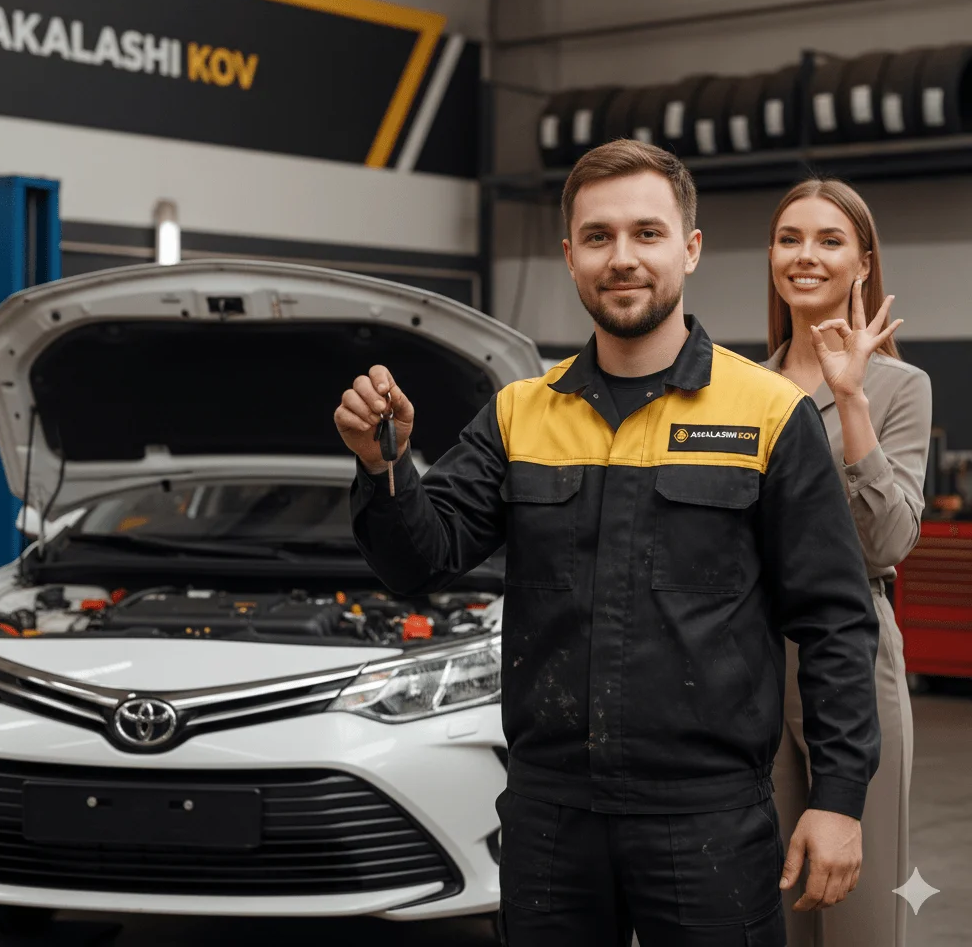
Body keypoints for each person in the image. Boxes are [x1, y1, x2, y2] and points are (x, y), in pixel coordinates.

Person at [334, 140, 881, 947]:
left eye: (647, 234)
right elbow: (422, 556)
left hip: (709, 819)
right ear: (570, 256)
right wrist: (385, 466)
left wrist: (838, 798)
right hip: (551, 817)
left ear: (689, 250)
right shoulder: (522, 412)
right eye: (598, 237)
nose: (622, 258)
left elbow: (833, 620)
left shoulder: (767, 415)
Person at [763, 178, 932, 947]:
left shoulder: (900, 388)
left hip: (854, 652)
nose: (806, 255)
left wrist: (850, 399)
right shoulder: (737, 389)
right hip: (748, 655)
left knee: (859, 911)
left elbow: (887, 543)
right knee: (769, 896)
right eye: (790, 238)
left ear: (864, 262)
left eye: (830, 240)